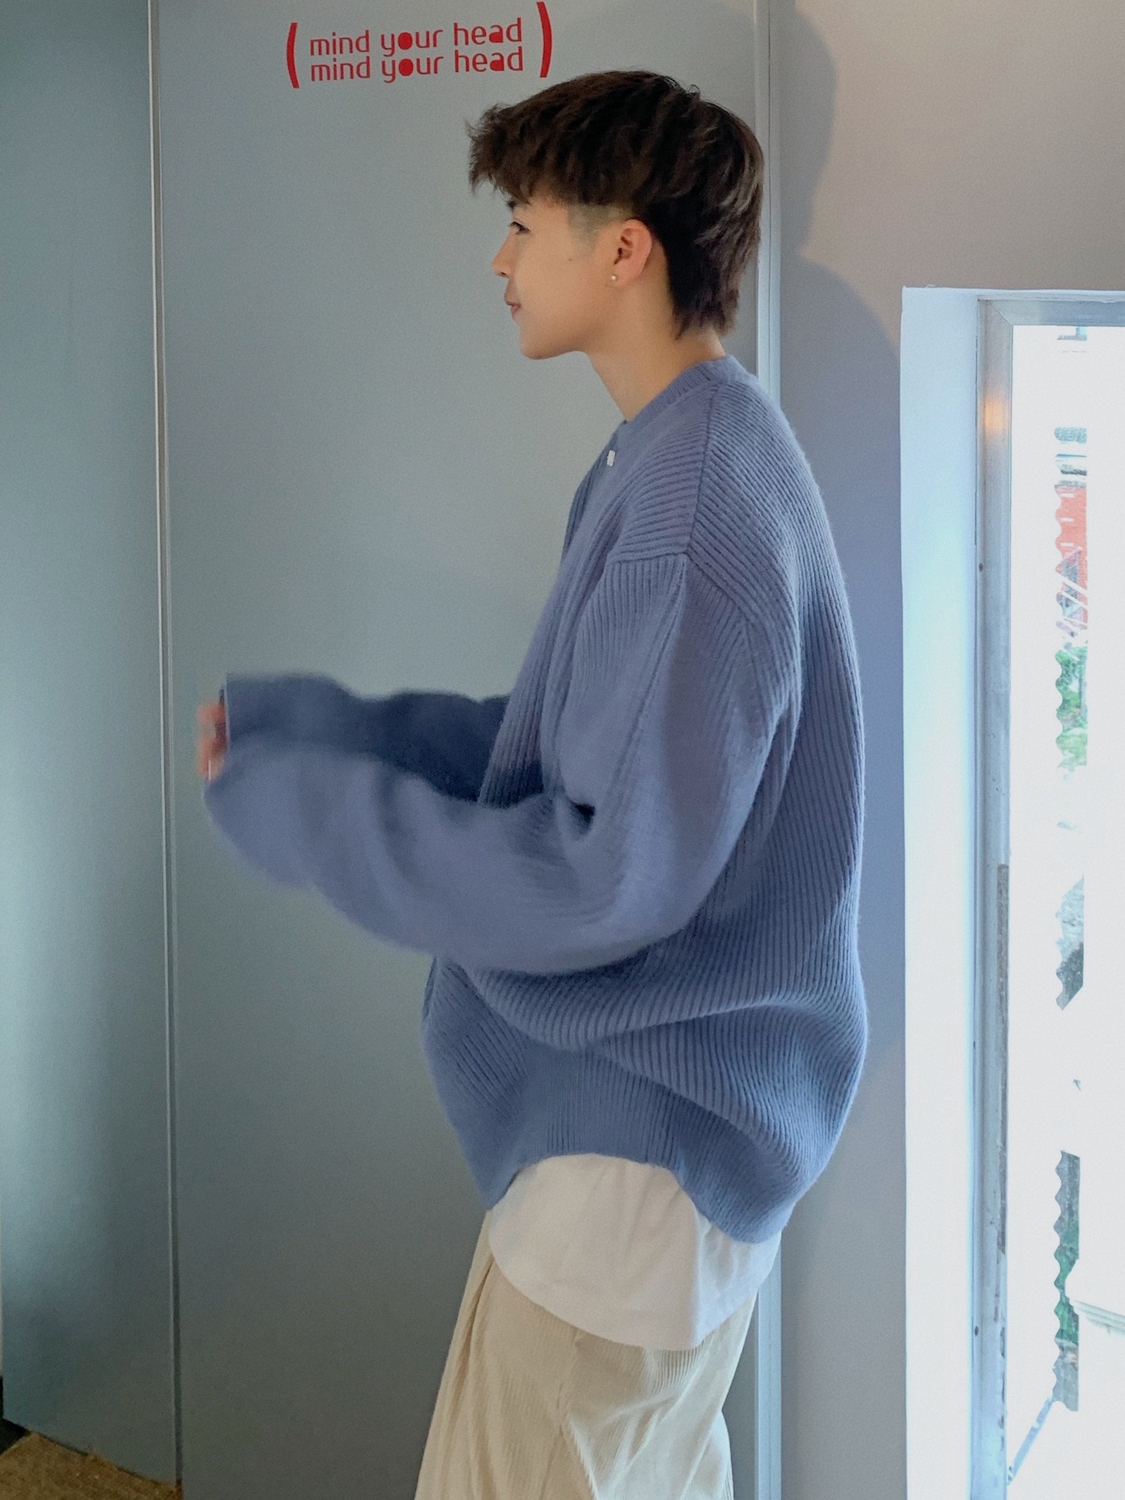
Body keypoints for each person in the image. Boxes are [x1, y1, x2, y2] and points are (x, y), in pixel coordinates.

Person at [197, 69, 866, 1500]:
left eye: (523, 220)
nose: (499, 258)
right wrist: (315, 733)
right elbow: (566, 745)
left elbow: (597, 876)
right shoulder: (693, 447)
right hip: (671, 1160)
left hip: (632, 1177)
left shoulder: (691, 506)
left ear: (623, 248)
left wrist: (308, 813)